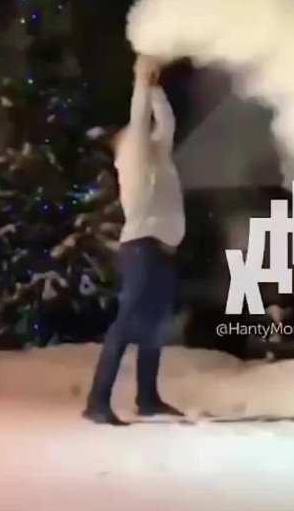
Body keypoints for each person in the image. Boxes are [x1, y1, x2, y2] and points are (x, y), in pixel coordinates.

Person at [83, 54, 186, 425]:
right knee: (127, 323)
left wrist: (156, 88)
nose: (136, 131)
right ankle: (97, 401)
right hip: (142, 246)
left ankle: (148, 398)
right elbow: (140, 117)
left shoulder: (159, 156)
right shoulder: (132, 155)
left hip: (163, 249)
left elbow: (166, 122)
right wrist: (142, 78)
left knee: (155, 326)